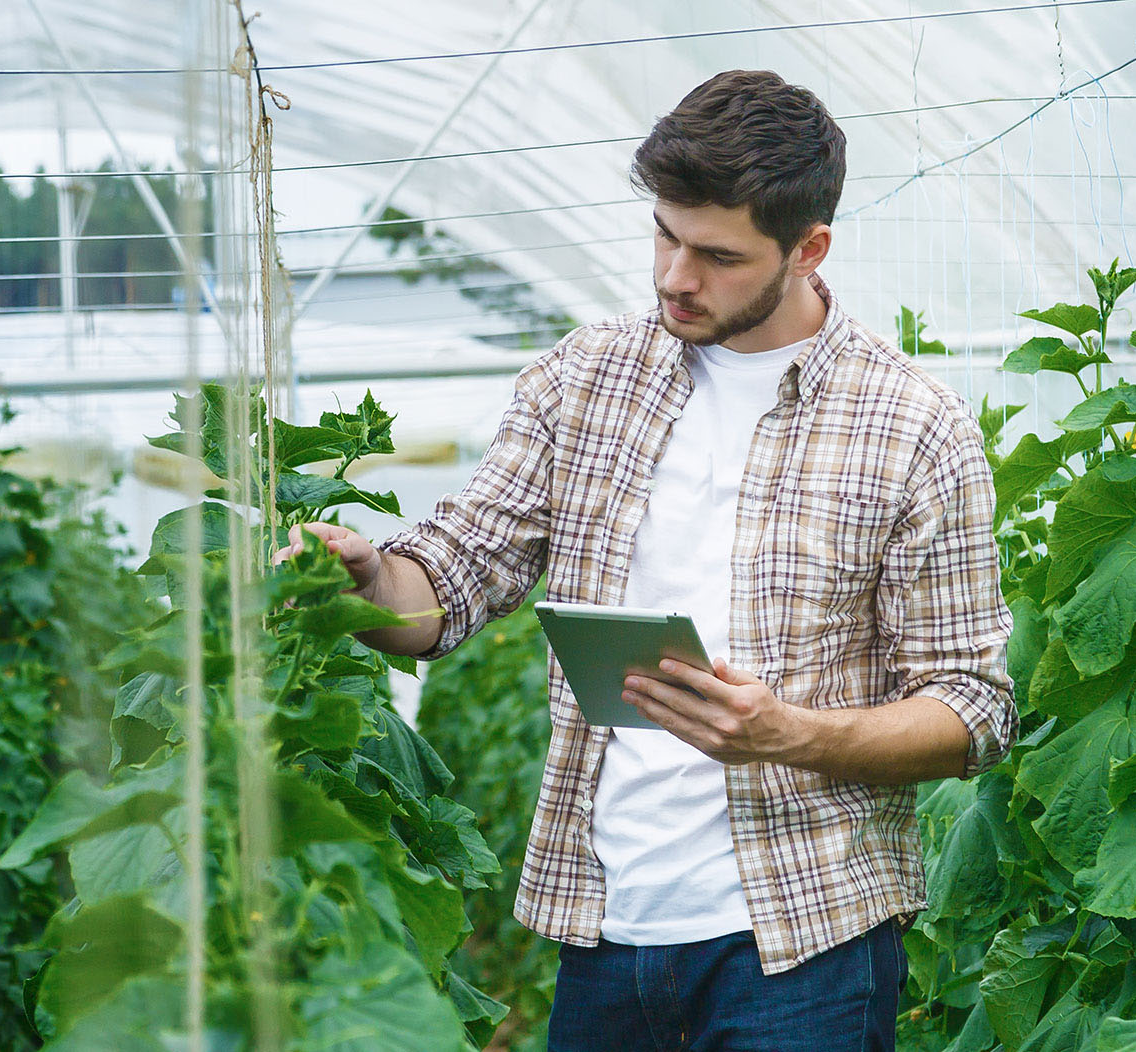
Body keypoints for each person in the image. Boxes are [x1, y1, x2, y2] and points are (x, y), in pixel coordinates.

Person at [274, 69, 1014, 1052]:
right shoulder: (583, 382)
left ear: (809, 249)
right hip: (609, 930)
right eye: (665, 233)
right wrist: (371, 579)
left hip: (807, 941)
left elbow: (972, 708)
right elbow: (446, 586)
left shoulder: (912, 426)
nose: (675, 276)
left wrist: (789, 733)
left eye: (716, 254)